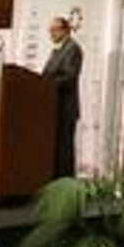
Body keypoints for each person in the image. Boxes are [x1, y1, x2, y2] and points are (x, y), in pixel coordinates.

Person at [40, 16, 82, 177]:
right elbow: (46, 75)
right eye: (50, 30)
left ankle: (66, 184)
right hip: (54, 107)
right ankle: (55, 181)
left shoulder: (73, 49)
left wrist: (48, 84)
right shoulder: (56, 51)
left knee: (64, 149)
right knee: (56, 148)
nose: (51, 34)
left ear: (64, 30)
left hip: (66, 108)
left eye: (53, 30)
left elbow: (70, 77)